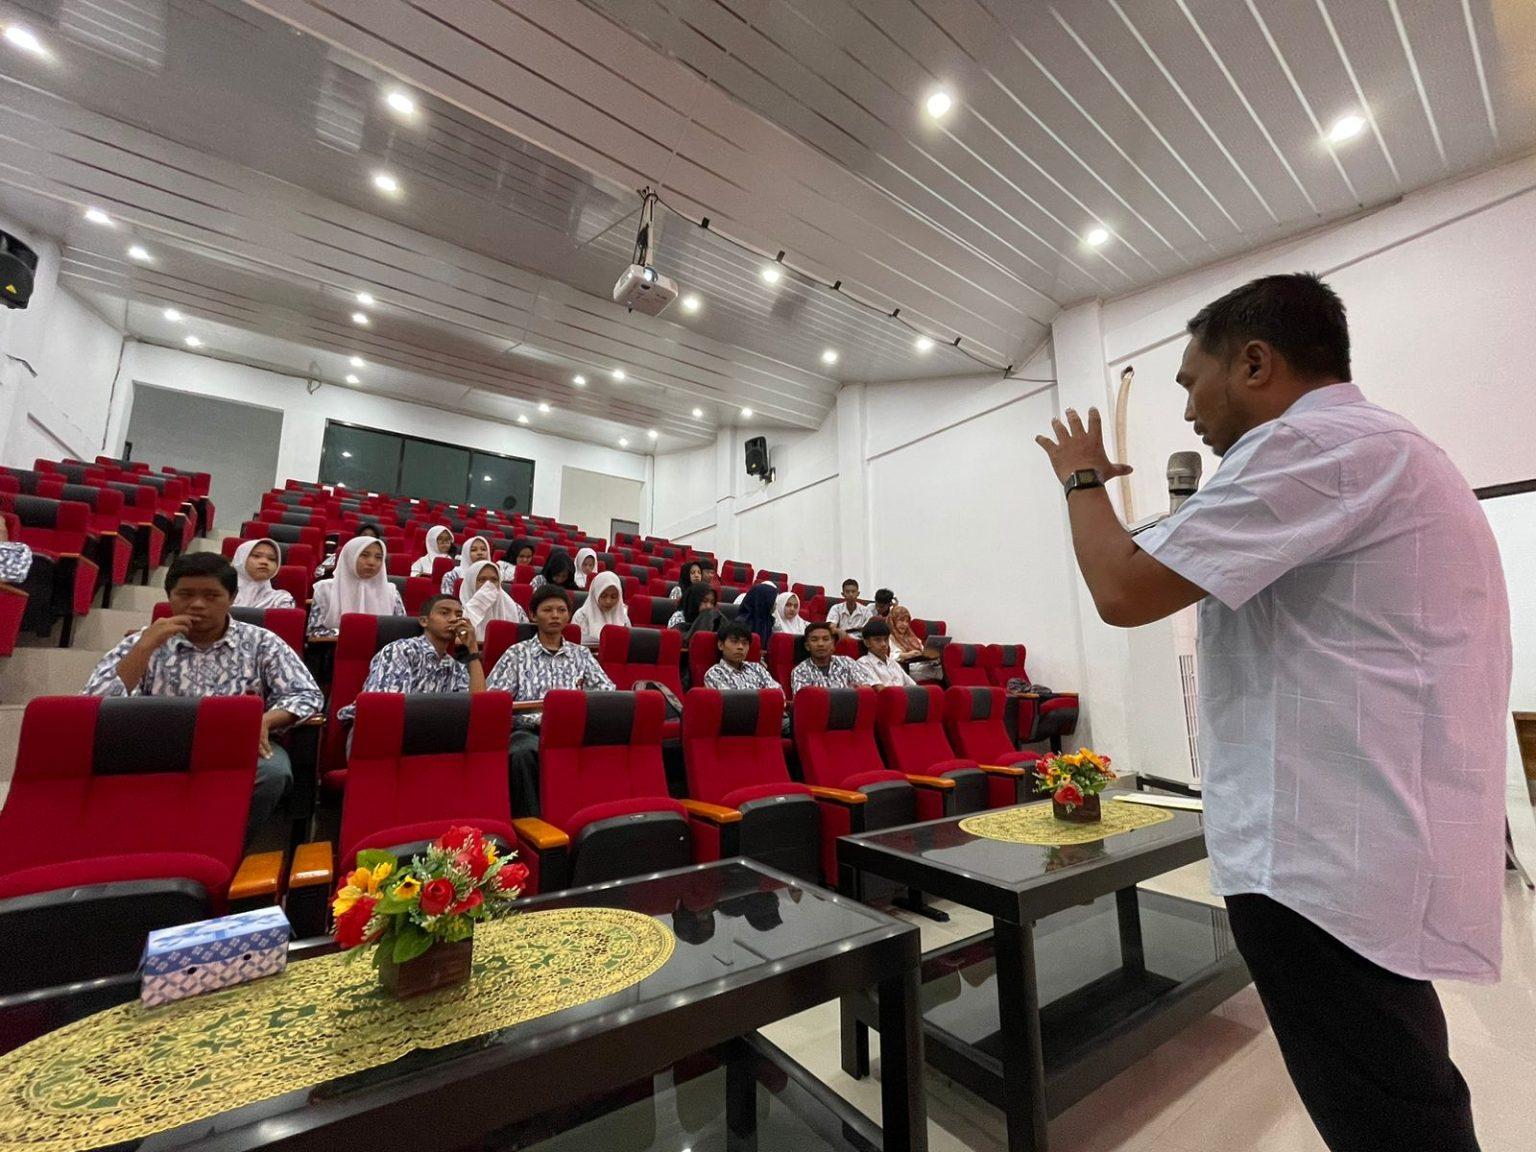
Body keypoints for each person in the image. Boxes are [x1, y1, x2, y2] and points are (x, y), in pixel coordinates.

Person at [1034, 273, 1509, 1152]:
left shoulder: (1313, 447)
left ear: (1254, 362)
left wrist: (1082, 478)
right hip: (1356, 845)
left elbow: (1122, 588)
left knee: (1390, 1118)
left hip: (1324, 861)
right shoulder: (1376, 447)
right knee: (1400, 1099)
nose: (1187, 412)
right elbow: (1160, 568)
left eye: (1188, 382)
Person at [83, 552, 323, 841]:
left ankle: (222, 844)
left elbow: (307, 693)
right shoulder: (145, 641)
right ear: (170, 596)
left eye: (212, 595)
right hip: (159, 745)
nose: (197, 604)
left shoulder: (262, 641)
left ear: (232, 597)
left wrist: (267, 720)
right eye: (185, 594)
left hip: (236, 744)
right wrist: (143, 649)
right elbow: (92, 705)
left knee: (273, 773)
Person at [485, 583, 615, 815]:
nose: (555, 615)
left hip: (574, 730)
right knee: (522, 752)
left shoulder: (581, 653)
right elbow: (494, 700)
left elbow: (607, 692)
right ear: (533, 615)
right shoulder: (516, 653)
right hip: (530, 729)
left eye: (561, 610)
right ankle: (533, 826)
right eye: (547, 610)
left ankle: (593, 817)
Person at [337, 593, 486, 723]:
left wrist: (472, 648)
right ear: (424, 621)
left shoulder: (455, 667)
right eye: (445, 613)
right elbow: (385, 709)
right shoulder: (400, 651)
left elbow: (479, 708)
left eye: (459, 615)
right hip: (379, 731)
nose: (454, 619)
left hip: (428, 734)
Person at [308, 536, 406, 638]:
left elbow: (401, 630)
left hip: (382, 650)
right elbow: (313, 632)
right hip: (335, 649)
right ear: (350, 557)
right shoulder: (325, 589)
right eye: (364, 555)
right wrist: (348, 633)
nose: (371, 562)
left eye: (378, 557)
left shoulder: (391, 592)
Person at [790, 621, 869, 696]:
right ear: (807, 646)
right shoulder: (800, 671)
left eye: (825, 639)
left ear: (833, 644)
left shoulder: (847, 662)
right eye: (814, 640)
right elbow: (803, 702)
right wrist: (848, 692)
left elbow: (866, 691)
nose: (820, 644)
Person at [462, 560, 527, 641]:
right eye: (482, 579)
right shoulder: (459, 610)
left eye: (494, 580)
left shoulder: (516, 609)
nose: (488, 585)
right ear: (471, 582)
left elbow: (525, 640)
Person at [702, 621, 777, 691]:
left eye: (744, 643)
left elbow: (779, 695)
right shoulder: (714, 674)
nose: (740, 647)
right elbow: (730, 703)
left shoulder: (757, 668)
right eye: (734, 641)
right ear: (721, 645)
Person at [231, 538, 294, 609]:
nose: (264, 562)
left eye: (272, 559)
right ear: (241, 559)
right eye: (256, 556)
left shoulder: (281, 599)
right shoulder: (221, 593)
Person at [441, 535, 515, 595]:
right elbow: (447, 599)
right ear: (466, 553)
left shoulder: (496, 575)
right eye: (473, 550)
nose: (480, 553)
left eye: (483, 549)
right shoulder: (452, 576)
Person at [570, 570, 629, 644]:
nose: (608, 601)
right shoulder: (581, 616)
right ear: (595, 594)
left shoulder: (623, 617)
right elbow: (572, 646)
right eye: (603, 596)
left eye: (613, 597)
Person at [857, 618, 916, 687]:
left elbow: (913, 685)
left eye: (886, 639)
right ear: (867, 643)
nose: (884, 644)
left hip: (904, 695)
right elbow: (879, 689)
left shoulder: (893, 662)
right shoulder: (863, 663)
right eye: (878, 640)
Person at [314, 523, 381, 580]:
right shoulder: (343, 554)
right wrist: (332, 568)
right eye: (364, 535)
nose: (367, 538)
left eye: (372, 536)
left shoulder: (380, 559)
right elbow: (318, 572)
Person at [736, 582, 778, 651]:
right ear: (764, 601)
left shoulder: (769, 620)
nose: (776, 604)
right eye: (773, 600)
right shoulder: (742, 622)